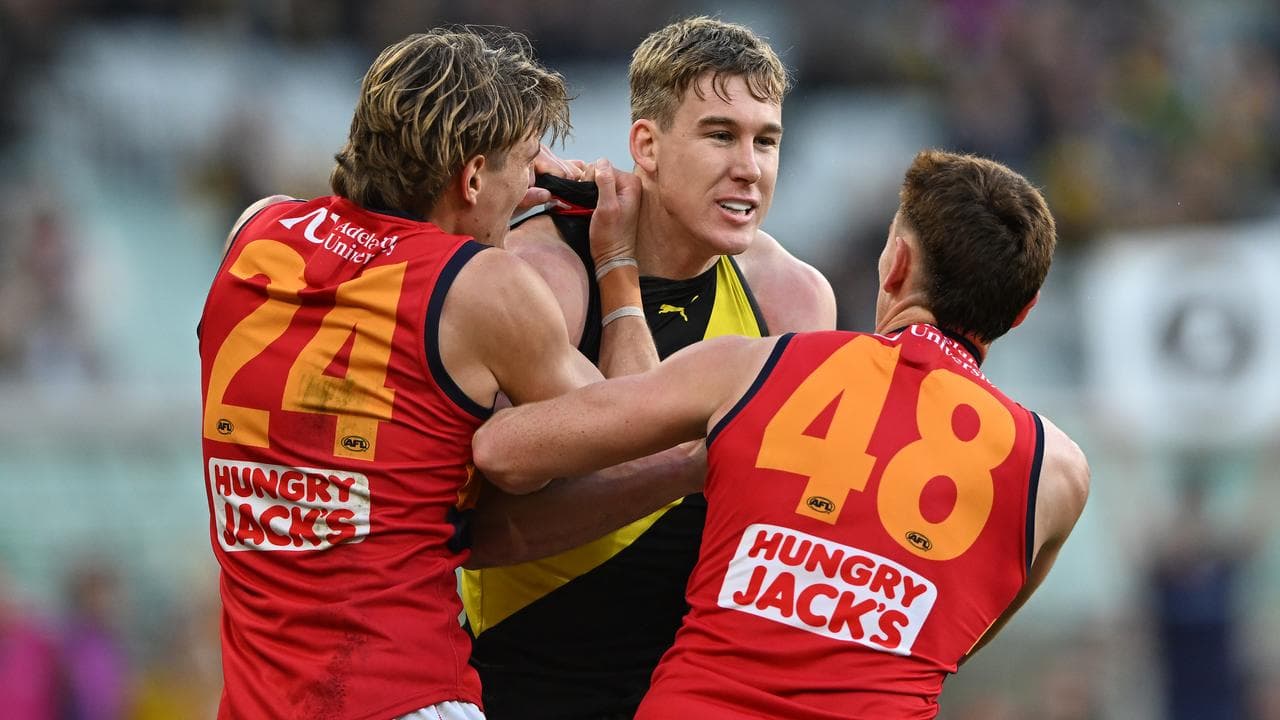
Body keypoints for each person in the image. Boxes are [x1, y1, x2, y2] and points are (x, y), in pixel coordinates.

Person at [473, 149, 1091, 719]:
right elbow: (951, 640)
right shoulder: (1058, 475)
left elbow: (501, 450)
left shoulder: (756, 367)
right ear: (1023, 311)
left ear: (897, 264)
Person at [199, 28, 698, 720]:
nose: (531, 185)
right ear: (471, 178)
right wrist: (617, 265)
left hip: (256, 701)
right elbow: (637, 429)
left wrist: (499, 176)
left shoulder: (255, 231)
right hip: (405, 694)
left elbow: (365, 246)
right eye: (524, 165)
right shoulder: (481, 287)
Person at [462, 17, 836, 719]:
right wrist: (691, 465)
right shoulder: (545, 267)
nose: (749, 168)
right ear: (647, 146)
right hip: (519, 682)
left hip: (693, 691)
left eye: (766, 141)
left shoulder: (793, 297)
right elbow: (481, 526)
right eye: (720, 135)